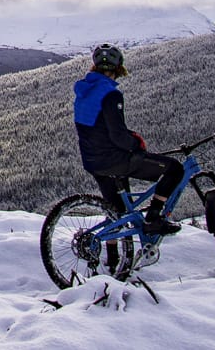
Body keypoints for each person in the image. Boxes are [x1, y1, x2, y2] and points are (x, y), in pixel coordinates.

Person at [73, 43, 183, 236]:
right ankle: (154, 218)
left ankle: (113, 253)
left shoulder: (84, 92)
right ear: (118, 68)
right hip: (113, 160)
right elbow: (117, 135)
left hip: (92, 161)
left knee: (119, 214)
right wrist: (136, 144)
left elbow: (98, 128)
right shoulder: (110, 94)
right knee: (175, 169)